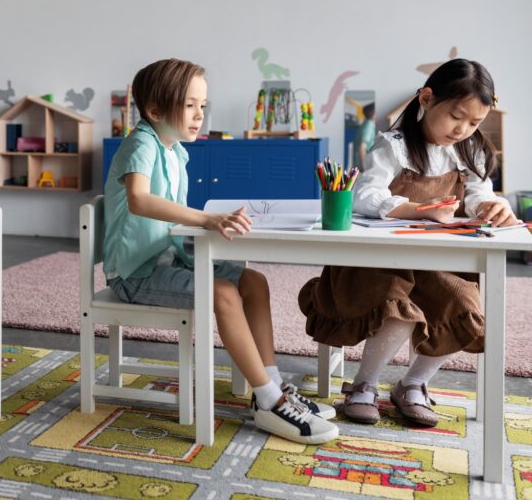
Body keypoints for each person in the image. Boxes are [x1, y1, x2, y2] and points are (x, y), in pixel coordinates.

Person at [104, 58, 337, 444]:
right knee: (224, 292)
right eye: (190, 105)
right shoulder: (141, 143)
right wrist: (206, 219)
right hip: (136, 274)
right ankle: (270, 401)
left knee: (253, 281)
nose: (199, 115)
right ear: (156, 110)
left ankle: (273, 385)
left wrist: (210, 221)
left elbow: (169, 219)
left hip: (168, 259)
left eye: (202, 105)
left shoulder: (176, 150)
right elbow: (140, 200)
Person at [299, 58, 518, 427]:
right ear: (428, 99)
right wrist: (417, 209)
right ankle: (363, 384)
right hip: (381, 262)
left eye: (474, 122)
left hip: (435, 261)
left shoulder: (472, 150)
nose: (463, 129)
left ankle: (413, 384)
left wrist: (493, 206)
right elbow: (366, 195)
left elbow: (479, 194)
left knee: (465, 305)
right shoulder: (395, 145)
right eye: (456, 117)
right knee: (397, 307)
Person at [354, 103, 377, 170]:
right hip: (363, 166)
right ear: (374, 114)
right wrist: (365, 167)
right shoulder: (368, 127)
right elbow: (362, 147)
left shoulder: (366, 123)